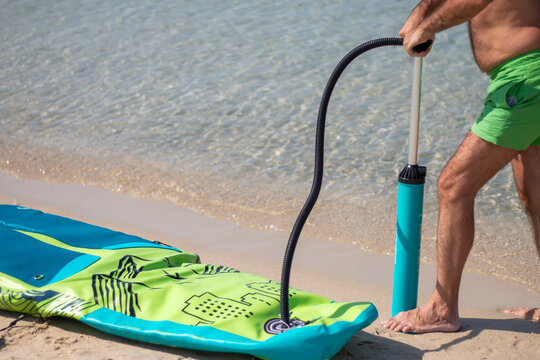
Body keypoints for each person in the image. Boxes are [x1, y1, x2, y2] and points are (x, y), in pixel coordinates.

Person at [381, 0, 540, 333]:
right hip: (525, 76)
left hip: (526, 81)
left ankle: (442, 309)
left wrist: (430, 25)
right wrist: (422, 14)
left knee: (454, 186)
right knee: (535, 199)